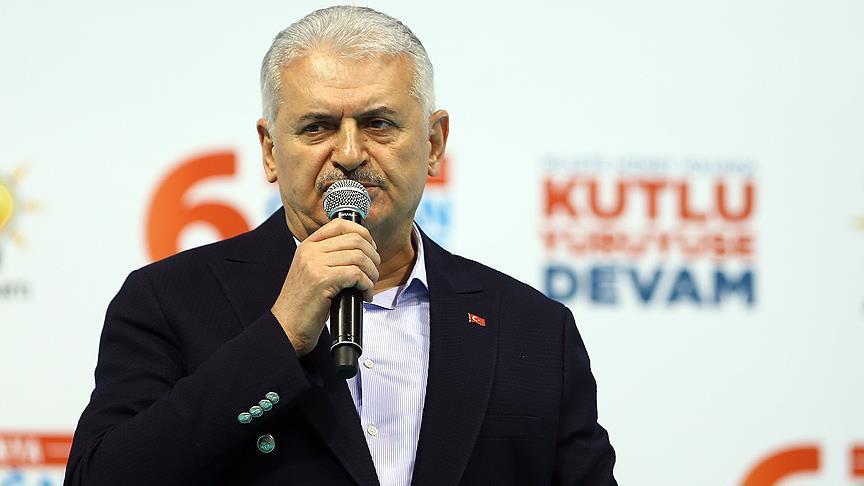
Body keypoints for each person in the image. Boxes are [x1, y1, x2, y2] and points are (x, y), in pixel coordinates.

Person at [65, 6, 616, 485]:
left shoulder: (534, 330)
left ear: (433, 143)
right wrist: (279, 336)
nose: (350, 154)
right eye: (317, 127)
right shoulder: (169, 302)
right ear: (270, 151)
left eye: (378, 124)